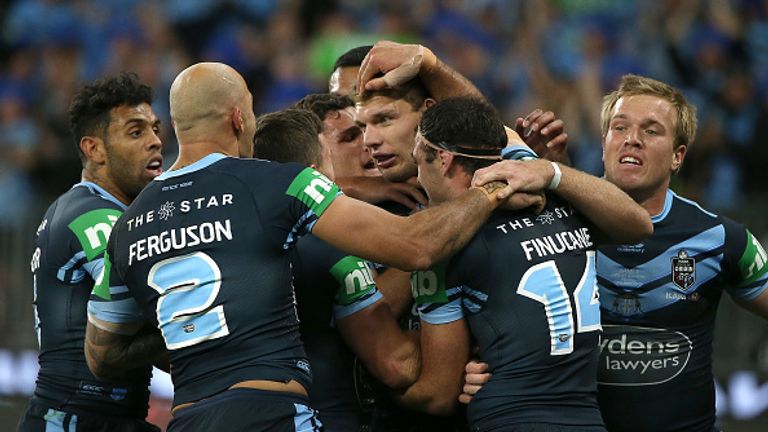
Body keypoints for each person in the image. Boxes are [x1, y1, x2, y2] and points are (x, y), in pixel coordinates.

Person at [83, 62, 527, 432]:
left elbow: (101, 355)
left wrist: (195, 332)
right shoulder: (273, 183)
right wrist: (493, 190)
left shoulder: (128, 225)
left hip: (189, 417)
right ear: (239, 118)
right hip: (271, 412)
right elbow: (416, 247)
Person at [463, 74, 768, 432]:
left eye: (651, 131)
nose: (632, 140)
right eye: (619, 128)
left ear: (677, 156)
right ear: (604, 142)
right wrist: (470, 368)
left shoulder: (720, 237)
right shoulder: (549, 228)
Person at [401, 96, 652, 431]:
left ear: (443, 159)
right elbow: (641, 225)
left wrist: (375, 389)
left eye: (419, 162)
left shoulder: (445, 248)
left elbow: (437, 395)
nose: (418, 177)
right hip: (587, 420)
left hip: (509, 417)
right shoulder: (561, 203)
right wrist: (551, 171)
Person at [253, 107, 421, 431]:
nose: (369, 144)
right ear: (314, 173)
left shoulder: (245, 238)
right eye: (349, 137)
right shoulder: (330, 246)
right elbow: (395, 364)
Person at [19, 72, 165, 432]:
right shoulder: (95, 216)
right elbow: (158, 306)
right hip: (75, 418)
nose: (155, 142)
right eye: (136, 131)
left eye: (155, 129)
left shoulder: (98, 210)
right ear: (94, 149)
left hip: (104, 418)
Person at [291, 93, 427, 212]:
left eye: (365, 129)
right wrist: (353, 186)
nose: (369, 141)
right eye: (350, 138)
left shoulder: (426, 186)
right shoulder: (303, 229)